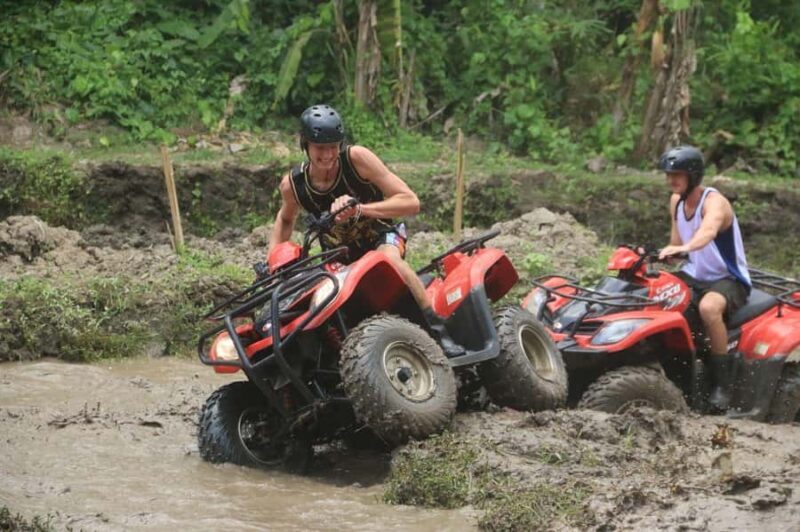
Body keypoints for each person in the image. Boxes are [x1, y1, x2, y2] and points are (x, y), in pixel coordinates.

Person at [268, 104, 463, 356]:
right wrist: (273, 258)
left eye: (333, 146)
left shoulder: (356, 159)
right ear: (305, 145)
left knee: (386, 259)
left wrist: (360, 209)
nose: (328, 155)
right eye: (320, 148)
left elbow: (411, 201)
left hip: (382, 236)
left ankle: (439, 333)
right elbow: (285, 220)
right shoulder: (293, 186)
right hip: (338, 256)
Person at [657, 145, 751, 412]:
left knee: (709, 307)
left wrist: (684, 249)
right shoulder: (676, 201)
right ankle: (680, 379)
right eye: (668, 174)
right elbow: (677, 243)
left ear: (693, 175)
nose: (671, 180)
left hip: (728, 279)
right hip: (694, 275)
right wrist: (666, 256)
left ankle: (722, 386)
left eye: (677, 174)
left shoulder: (714, 202)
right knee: (660, 298)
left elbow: (707, 232)